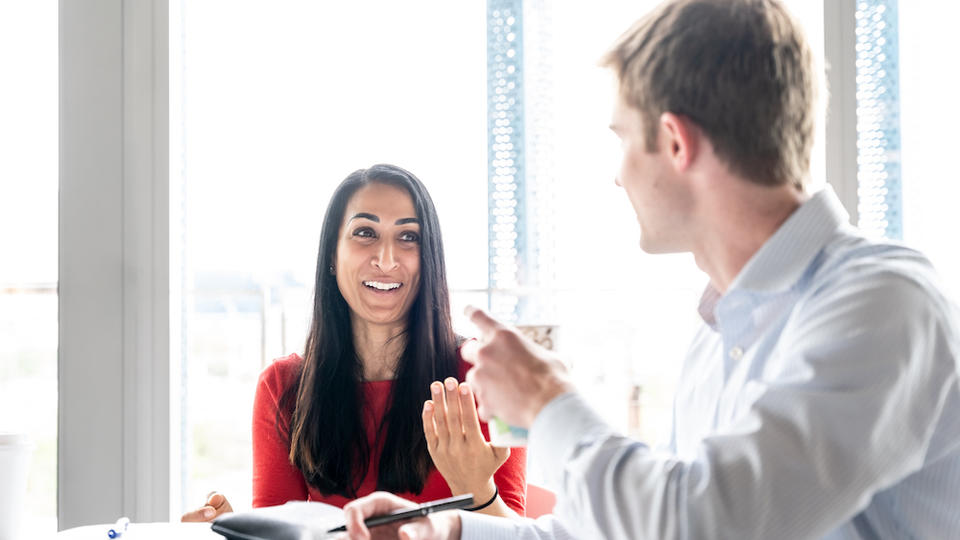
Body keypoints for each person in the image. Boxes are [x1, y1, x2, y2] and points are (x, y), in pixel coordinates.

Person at [339, 1, 960, 539]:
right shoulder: (721, 332)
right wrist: (446, 529)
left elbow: (707, 526)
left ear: (675, 142)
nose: (617, 174)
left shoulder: (882, 304)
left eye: (622, 139)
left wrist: (548, 403)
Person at [181, 164, 526, 522]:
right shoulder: (281, 387)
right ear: (332, 255)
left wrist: (478, 491)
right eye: (365, 233)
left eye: (409, 237)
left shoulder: (496, 377)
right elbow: (279, 530)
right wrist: (227, 532)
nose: (386, 260)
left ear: (430, 259)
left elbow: (524, 537)